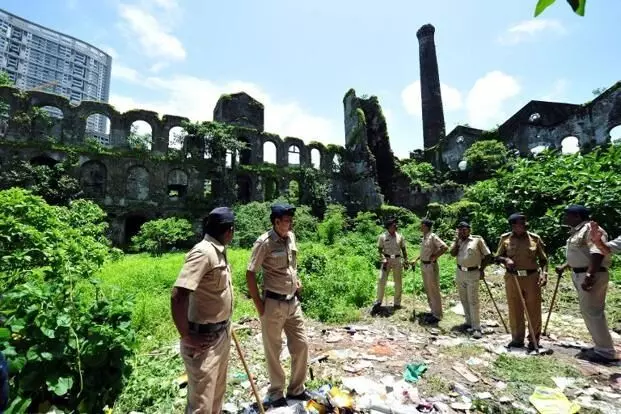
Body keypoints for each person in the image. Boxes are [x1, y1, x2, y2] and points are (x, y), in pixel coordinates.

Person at [170, 207, 236, 414]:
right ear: (229, 231)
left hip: (220, 333)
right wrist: (186, 336)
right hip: (203, 340)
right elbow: (178, 295)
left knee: (217, 393)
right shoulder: (203, 252)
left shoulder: (218, 250)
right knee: (201, 405)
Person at [246, 204, 310, 408]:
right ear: (276, 222)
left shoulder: (290, 237)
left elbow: (292, 265)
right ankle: (276, 393)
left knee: (301, 345)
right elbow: (250, 273)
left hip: (293, 303)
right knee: (273, 350)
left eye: (291, 221)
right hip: (273, 303)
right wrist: (258, 304)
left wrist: (296, 282)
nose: (290, 224)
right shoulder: (263, 243)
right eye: (287, 221)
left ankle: (296, 389)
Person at [556, 205, 617, 363]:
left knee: (593, 312)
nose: (565, 218)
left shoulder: (590, 229)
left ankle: (605, 351)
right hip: (582, 273)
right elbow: (582, 254)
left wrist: (590, 275)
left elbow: (597, 252)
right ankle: (600, 346)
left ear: (576, 216)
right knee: (589, 312)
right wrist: (566, 265)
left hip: (591, 274)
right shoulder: (579, 230)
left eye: (567, 215)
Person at [495, 213, 548, 350]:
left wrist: (544, 274)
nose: (523, 225)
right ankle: (517, 339)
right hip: (513, 278)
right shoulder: (505, 238)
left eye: (524, 223)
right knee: (515, 309)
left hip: (531, 278)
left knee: (534, 310)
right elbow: (497, 257)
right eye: (520, 223)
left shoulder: (535, 239)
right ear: (513, 225)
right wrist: (506, 260)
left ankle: (533, 340)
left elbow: (543, 260)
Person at [450, 221, 492, 338]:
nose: (462, 231)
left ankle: (476, 327)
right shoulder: (457, 241)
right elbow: (452, 254)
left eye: (465, 229)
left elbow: (488, 255)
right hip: (460, 272)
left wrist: (482, 269)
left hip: (473, 272)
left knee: (473, 300)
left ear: (469, 230)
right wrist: (457, 242)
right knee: (463, 299)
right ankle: (468, 322)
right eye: (460, 229)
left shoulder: (477, 240)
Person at [372, 217, 409, 313]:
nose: (396, 226)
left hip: (397, 259)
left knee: (398, 282)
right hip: (386, 260)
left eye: (396, 224)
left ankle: (397, 303)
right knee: (381, 280)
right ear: (388, 226)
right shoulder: (382, 237)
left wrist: (406, 261)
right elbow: (379, 250)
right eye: (393, 225)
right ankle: (378, 302)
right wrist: (383, 258)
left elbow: (404, 249)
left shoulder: (400, 236)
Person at [417, 218, 448, 323]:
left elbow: (444, 247)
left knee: (434, 290)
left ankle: (437, 315)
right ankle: (433, 311)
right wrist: (416, 259)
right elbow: (424, 252)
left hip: (431, 266)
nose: (420, 227)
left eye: (421, 225)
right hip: (424, 265)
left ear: (425, 226)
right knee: (428, 289)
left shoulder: (433, 236)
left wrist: (435, 256)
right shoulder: (424, 237)